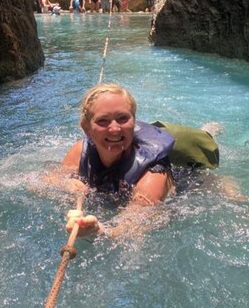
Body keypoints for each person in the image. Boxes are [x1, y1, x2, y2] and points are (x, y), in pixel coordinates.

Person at [42, 83, 222, 239]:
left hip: (188, 181)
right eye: (103, 121)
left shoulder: (152, 173)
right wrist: (67, 185)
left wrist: (99, 231)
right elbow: (41, 183)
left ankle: (209, 132)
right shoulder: (81, 150)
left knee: (220, 187)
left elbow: (134, 225)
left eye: (123, 118)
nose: (114, 129)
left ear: (134, 121)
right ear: (86, 128)